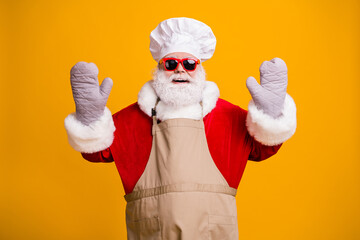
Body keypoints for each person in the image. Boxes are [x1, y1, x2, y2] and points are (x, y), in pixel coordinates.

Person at [64, 17, 296, 239]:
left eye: (189, 64)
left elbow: (263, 148)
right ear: (159, 69)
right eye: (171, 63)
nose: (180, 70)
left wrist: (271, 114)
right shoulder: (133, 118)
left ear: (200, 68)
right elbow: (96, 153)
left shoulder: (227, 116)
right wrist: (89, 117)